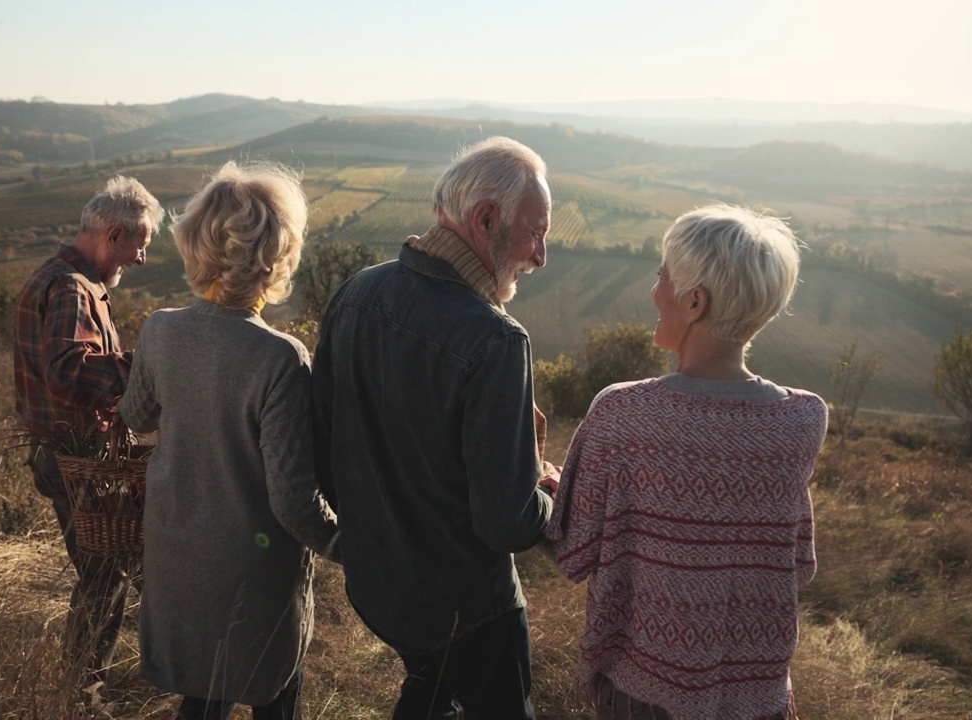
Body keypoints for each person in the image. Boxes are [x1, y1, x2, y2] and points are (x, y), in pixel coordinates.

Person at [546, 204, 828, 720]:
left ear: (694, 301)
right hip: (760, 700)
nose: (655, 291)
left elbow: (573, 552)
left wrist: (548, 490)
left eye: (662, 277)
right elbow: (799, 563)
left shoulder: (623, 412)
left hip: (646, 695)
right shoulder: (803, 419)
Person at [310, 136, 556, 720]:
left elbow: (323, 453)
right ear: (486, 219)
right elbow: (506, 524)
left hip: (381, 589)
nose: (541, 255)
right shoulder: (496, 340)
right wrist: (546, 493)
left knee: (428, 691)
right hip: (471, 612)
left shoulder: (356, 294)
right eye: (536, 232)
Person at [119, 161, 340, 720]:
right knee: (274, 689)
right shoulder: (281, 358)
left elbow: (137, 417)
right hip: (253, 575)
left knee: (202, 692)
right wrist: (351, 546)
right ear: (278, 254)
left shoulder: (160, 330)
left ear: (194, 243)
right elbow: (293, 500)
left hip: (176, 555)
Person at [13, 174, 160, 688]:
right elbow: (69, 368)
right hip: (70, 454)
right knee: (105, 574)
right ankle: (83, 689)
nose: (139, 260)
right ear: (114, 234)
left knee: (105, 569)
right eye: (138, 247)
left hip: (58, 450)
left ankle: (85, 682)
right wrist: (144, 371)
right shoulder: (72, 287)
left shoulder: (60, 277)